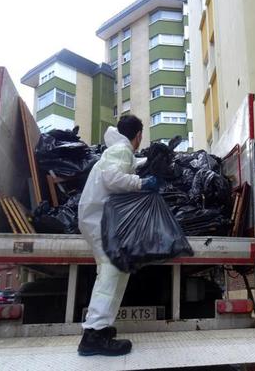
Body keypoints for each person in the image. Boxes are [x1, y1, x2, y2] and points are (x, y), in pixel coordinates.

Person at [77, 115, 159, 356]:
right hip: (101, 219)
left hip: (99, 218)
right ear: (138, 135)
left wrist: (142, 164)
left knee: (115, 270)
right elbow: (112, 179)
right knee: (111, 273)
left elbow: (124, 165)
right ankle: (93, 334)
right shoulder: (122, 149)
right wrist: (142, 183)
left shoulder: (118, 150)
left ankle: (100, 330)